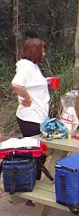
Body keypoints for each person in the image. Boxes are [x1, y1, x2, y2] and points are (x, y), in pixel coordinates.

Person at [11, 38, 50, 206]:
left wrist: (45, 82)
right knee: (36, 153)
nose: (44, 53)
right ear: (35, 51)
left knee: (37, 153)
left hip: (36, 116)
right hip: (30, 118)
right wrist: (26, 98)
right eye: (42, 50)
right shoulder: (26, 66)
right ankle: (29, 191)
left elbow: (30, 84)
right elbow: (17, 84)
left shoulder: (32, 66)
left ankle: (28, 187)